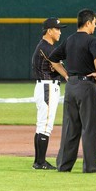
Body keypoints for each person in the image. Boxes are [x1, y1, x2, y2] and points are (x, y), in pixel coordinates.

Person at [48, 8, 96, 173]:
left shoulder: (69, 40)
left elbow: (53, 59)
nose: (95, 26)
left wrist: (66, 75)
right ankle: (91, 166)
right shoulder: (92, 40)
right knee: (90, 127)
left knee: (70, 127)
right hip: (87, 86)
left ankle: (64, 165)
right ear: (88, 23)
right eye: (94, 23)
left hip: (71, 87)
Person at [30, 17, 67, 170]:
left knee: (42, 125)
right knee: (45, 125)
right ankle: (40, 162)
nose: (59, 32)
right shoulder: (46, 47)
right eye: (57, 29)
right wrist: (68, 76)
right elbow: (57, 65)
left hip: (45, 87)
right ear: (49, 30)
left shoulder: (46, 46)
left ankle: (39, 161)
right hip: (48, 87)